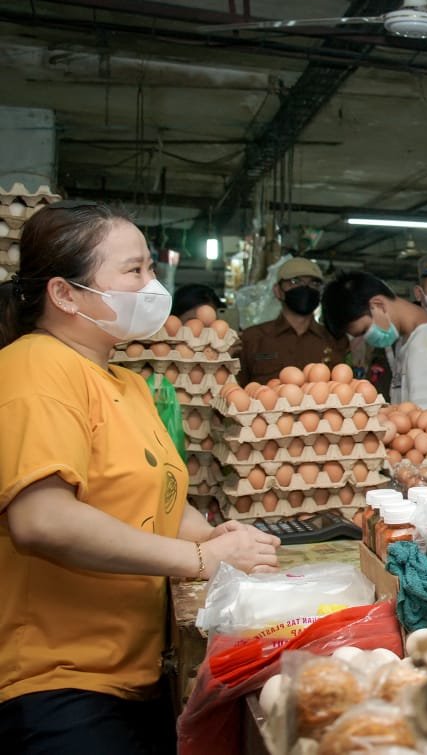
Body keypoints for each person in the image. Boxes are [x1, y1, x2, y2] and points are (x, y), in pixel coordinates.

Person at [0, 201, 279, 753]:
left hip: (129, 673)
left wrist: (215, 536)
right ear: (65, 293)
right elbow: (42, 518)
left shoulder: (123, 383)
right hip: (57, 684)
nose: (153, 285)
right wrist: (200, 560)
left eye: (151, 268)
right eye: (134, 271)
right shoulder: (35, 369)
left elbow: (160, 498)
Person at [320, 272, 427, 412]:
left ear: (378, 305)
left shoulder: (423, 348)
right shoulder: (405, 339)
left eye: (364, 331)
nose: (366, 339)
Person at [237, 257, 348, 385]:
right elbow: (236, 391)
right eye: (295, 282)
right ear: (278, 291)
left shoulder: (335, 340)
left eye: (314, 284)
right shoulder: (252, 339)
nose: (305, 288)